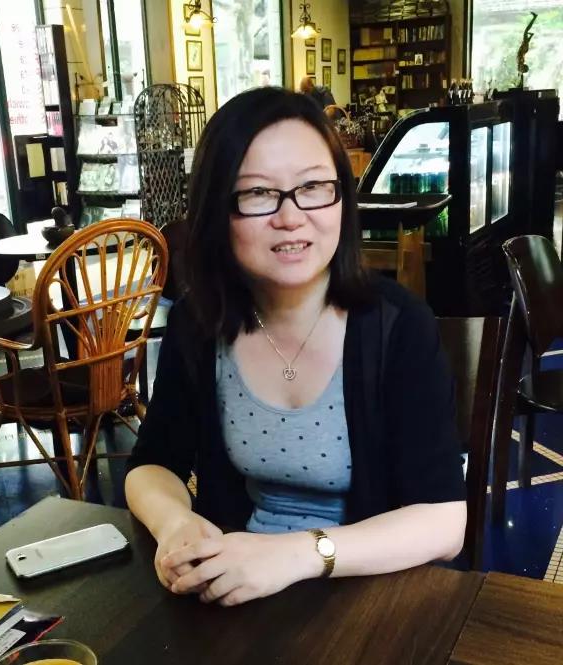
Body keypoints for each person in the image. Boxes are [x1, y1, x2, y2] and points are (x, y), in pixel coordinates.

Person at [125, 87, 466, 607]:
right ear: (217, 209)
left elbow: (444, 521)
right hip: (240, 588)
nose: (291, 216)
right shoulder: (200, 322)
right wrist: (176, 523)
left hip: (372, 592)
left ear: (341, 198)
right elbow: (152, 464)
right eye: (258, 193)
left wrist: (296, 555)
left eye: (313, 187)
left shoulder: (397, 326)